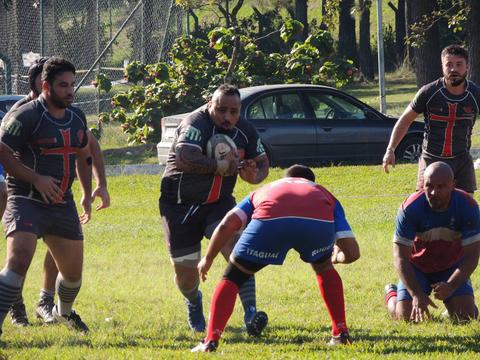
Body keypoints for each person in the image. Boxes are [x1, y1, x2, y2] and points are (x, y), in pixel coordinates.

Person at [191, 164, 360, 352]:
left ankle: (211, 341)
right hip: (315, 224)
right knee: (324, 268)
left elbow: (227, 224)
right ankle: (341, 333)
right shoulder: (322, 192)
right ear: (311, 182)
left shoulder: (266, 189)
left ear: (284, 178)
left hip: (270, 222)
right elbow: (353, 253)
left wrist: (208, 258)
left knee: (233, 277)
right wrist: (334, 258)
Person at [6, 57, 110, 327]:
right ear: (45, 86)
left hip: (62, 203)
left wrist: (87, 194)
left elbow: (84, 154)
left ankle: (62, 312)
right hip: (26, 199)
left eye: (72, 84)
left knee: (73, 277)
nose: (70, 91)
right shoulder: (25, 114)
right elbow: (2, 149)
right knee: (18, 261)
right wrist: (35, 178)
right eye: (63, 85)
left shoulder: (76, 116)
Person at [160, 84, 270, 335]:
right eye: (221, 110)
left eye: (233, 111)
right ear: (210, 105)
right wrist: (220, 166)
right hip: (179, 205)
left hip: (218, 204)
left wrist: (254, 174)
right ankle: (193, 300)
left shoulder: (245, 130)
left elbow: (263, 163)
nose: (227, 117)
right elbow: (184, 157)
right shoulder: (195, 123)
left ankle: (251, 314)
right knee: (187, 277)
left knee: (238, 252)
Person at [385, 162, 480, 323]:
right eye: (429, 186)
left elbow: (472, 256)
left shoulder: (468, 206)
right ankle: (392, 293)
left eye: (441, 186)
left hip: (450, 266)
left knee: (466, 317)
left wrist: (451, 285)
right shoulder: (410, 208)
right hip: (417, 267)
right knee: (406, 317)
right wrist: (415, 294)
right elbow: (400, 257)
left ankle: (456, 303)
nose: (434, 192)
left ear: (453, 185)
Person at [382, 44, 480, 194]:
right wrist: (390, 149)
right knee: (426, 206)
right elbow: (404, 121)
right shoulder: (429, 92)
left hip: (462, 161)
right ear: (442, 67)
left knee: (466, 210)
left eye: (459, 64)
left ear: (467, 66)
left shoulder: (475, 94)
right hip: (431, 159)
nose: (454, 69)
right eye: (449, 64)